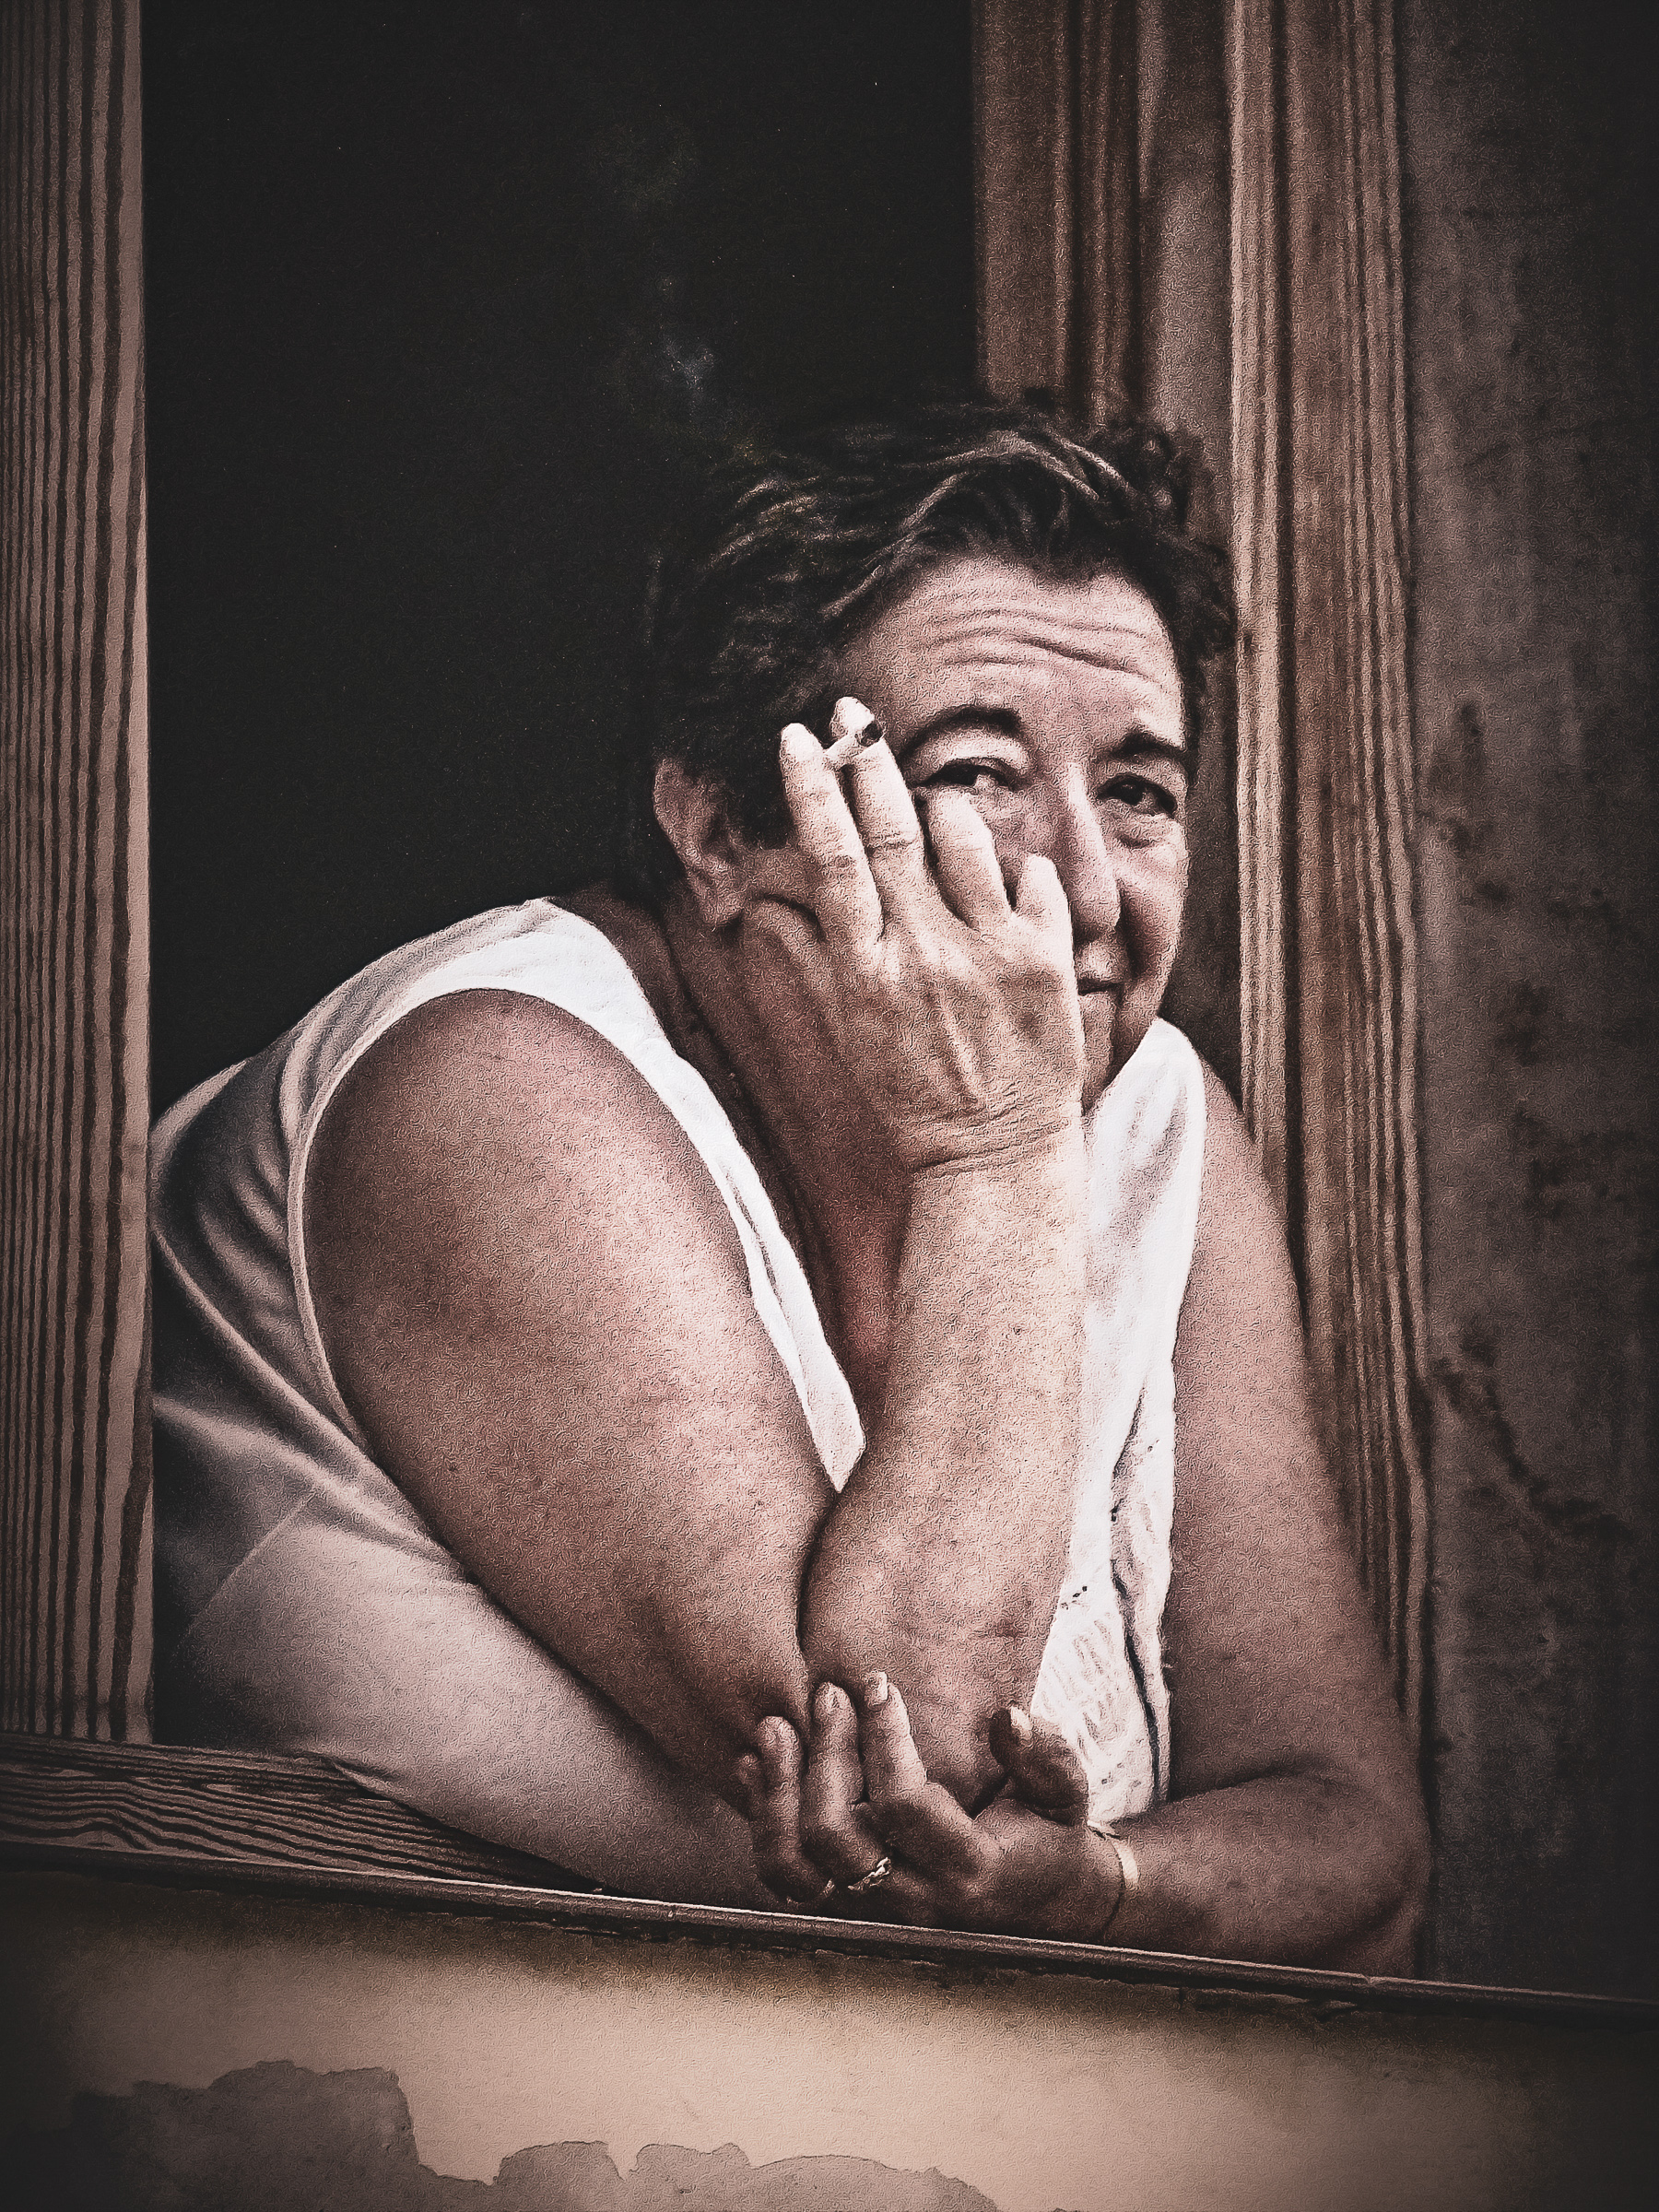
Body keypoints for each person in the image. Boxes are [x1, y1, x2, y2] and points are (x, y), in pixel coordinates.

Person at [150, 404, 1429, 1966]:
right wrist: (996, 1143)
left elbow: (1361, 1851)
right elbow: (904, 1774)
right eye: (980, 772)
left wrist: (1105, 1890)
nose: (1084, 892)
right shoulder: (487, 1086)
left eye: (1141, 793)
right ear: (715, 826)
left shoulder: (1151, 1119)